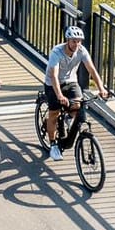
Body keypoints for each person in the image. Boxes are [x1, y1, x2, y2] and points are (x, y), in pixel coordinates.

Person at [42, 25, 105, 161]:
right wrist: (59, 95)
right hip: (53, 84)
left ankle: (68, 118)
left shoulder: (82, 51)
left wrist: (101, 89)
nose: (77, 44)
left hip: (71, 82)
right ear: (68, 40)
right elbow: (54, 75)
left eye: (79, 41)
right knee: (54, 113)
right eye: (74, 41)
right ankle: (53, 145)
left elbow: (92, 70)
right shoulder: (57, 52)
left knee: (78, 105)